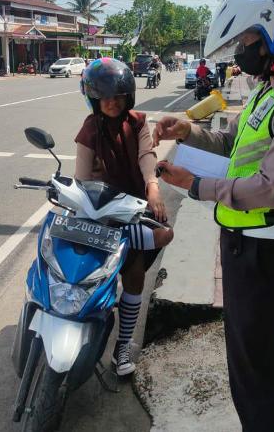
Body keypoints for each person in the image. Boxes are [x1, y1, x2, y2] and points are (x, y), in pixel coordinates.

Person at [153, 0, 274, 431]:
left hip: (266, 252)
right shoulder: (271, 91)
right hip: (244, 246)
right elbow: (232, 143)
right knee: (247, 367)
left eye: (248, 39)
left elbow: (272, 187)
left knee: (258, 373)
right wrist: (187, 130)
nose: (241, 50)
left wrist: (196, 185)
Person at [75, 58, 174, 377]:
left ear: (127, 96)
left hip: (132, 208)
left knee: (135, 274)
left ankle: (123, 344)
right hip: (100, 210)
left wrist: (153, 187)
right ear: (94, 98)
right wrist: (81, 203)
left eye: (117, 95)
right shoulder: (90, 129)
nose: (111, 102)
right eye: (104, 96)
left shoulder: (138, 122)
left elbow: (147, 156)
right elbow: (81, 177)